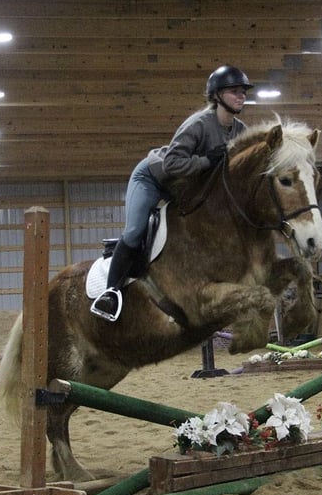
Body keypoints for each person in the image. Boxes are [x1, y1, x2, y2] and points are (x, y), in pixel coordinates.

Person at [90, 65, 254, 322]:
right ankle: (111, 292)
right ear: (217, 96)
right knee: (135, 231)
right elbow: (172, 164)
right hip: (153, 178)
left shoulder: (240, 130)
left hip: (185, 189)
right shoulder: (198, 124)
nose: (241, 96)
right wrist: (205, 162)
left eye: (243, 92)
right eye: (235, 91)